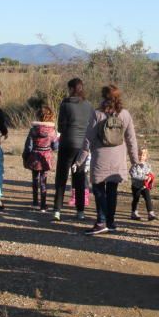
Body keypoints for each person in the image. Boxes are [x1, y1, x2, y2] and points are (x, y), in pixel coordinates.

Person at [83, 85, 139, 235]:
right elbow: (131, 139)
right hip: (118, 158)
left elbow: (89, 138)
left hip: (101, 158)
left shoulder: (97, 114)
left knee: (99, 189)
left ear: (103, 96)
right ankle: (111, 222)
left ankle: (101, 222)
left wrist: (81, 157)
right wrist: (135, 161)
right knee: (112, 190)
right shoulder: (125, 114)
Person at [53, 78, 94, 222]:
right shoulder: (89, 105)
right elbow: (91, 125)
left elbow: (60, 126)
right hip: (82, 146)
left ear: (71, 89)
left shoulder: (65, 103)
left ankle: (57, 210)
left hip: (66, 144)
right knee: (80, 178)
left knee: (62, 177)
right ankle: (80, 211)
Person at [23, 106, 59, 212]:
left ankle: (35, 203)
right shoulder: (52, 131)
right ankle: (43, 205)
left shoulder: (33, 130)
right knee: (44, 180)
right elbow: (55, 147)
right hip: (46, 157)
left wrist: (25, 156)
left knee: (35, 180)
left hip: (34, 155)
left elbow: (28, 146)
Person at [129, 147, 156, 221]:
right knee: (136, 199)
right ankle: (134, 212)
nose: (141, 157)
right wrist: (144, 177)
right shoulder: (134, 165)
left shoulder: (148, 165)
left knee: (148, 198)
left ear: (146, 157)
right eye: (139, 155)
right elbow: (133, 175)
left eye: (143, 155)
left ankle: (150, 213)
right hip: (136, 186)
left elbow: (150, 174)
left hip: (145, 186)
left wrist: (150, 178)